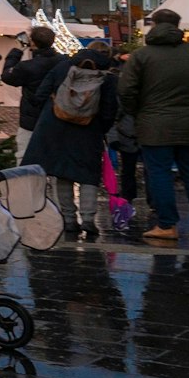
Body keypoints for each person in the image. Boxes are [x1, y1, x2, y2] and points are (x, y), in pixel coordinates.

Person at [120, 8, 189, 241]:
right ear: (178, 26)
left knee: (159, 173)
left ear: (154, 25)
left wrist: (138, 112)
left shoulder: (142, 56)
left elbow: (126, 91)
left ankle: (167, 225)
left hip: (153, 124)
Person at [21, 49, 121, 241]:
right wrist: (101, 128)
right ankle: (88, 218)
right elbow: (110, 109)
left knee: (62, 173)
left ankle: (68, 219)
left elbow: (40, 94)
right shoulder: (107, 79)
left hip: (56, 127)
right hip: (89, 130)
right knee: (89, 175)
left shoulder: (62, 68)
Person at [0, 26, 68, 159]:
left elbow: (7, 76)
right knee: (54, 156)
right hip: (58, 115)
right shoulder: (63, 62)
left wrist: (18, 50)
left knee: (24, 155)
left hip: (31, 118)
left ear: (33, 43)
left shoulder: (28, 66)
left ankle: (27, 180)